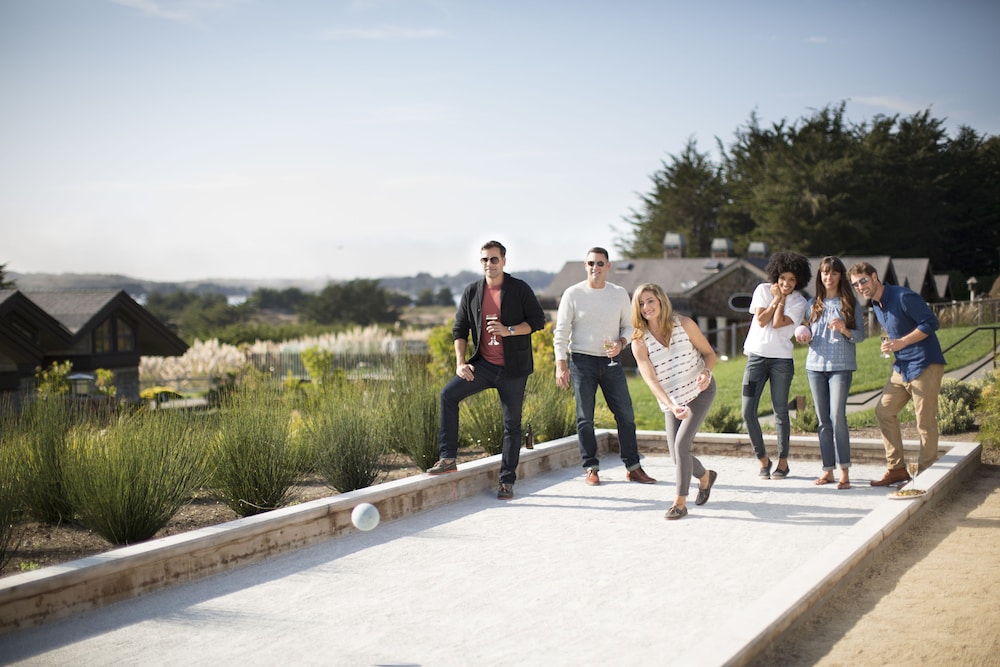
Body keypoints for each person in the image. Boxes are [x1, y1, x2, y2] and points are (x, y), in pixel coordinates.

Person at [426, 240, 547, 500]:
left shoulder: (518, 289)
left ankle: (506, 482)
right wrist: (461, 363)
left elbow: (538, 321)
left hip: (514, 370)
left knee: (511, 425)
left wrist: (509, 330)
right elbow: (459, 329)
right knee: (448, 394)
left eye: (494, 259)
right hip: (484, 365)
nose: (489, 264)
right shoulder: (472, 292)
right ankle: (447, 458)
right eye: (484, 259)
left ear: (503, 261)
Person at [553, 247, 656, 486]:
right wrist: (561, 364)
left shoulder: (619, 294)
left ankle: (633, 467)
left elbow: (630, 328)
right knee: (584, 418)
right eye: (591, 263)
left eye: (600, 263)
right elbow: (561, 332)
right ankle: (591, 468)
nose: (595, 268)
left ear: (608, 266)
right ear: (585, 265)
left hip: (612, 362)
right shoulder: (573, 294)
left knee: (626, 415)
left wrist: (621, 343)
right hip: (581, 361)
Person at [847, 261, 946, 486]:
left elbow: (931, 323)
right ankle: (897, 469)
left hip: (925, 364)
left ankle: (925, 475)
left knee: (924, 421)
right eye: (856, 285)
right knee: (883, 411)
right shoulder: (877, 305)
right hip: (901, 368)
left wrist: (902, 342)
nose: (861, 286)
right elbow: (896, 333)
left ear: (874, 277)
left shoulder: (903, 297)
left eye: (863, 280)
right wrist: (891, 345)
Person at [630, 283, 717, 520]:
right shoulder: (639, 342)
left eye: (650, 301)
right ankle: (706, 476)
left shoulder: (685, 324)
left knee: (681, 447)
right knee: (676, 455)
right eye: (640, 303)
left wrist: (706, 374)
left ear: (661, 301)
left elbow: (710, 354)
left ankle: (680, 502)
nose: (646, 307)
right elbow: (651, 381)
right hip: (673, 401)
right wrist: (671, 406)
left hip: (700, 393)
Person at [795, 257, 864, 490]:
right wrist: (803, 336)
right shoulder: (812, 303)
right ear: (820, 276)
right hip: (815, 367)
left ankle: (844, 471)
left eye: (834, 273)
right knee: (823, 421)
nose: (829, 277)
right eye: (825, 273)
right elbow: (806, 333)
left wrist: (845, 329)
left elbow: (861, 336)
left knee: (837, 417)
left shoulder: (851, 303)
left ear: (840, 276)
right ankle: (828, 470)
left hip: (841, 367)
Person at [742, 252, 811, 479]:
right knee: (747, 411)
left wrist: (780, 299)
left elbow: (779, 322)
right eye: (783, 278)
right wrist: (775, 299)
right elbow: (762, 321)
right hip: (756, 358)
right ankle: (763, 459)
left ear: (798, 280)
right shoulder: (763, 290)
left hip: (781, 361)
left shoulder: (800, 301)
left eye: (792, 280)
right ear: (776, 275)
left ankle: (783, 462)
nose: (786, 284)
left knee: (780, 411)